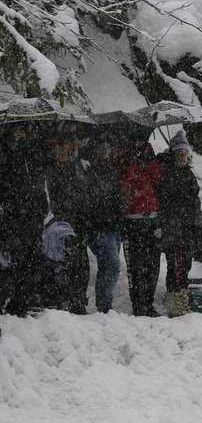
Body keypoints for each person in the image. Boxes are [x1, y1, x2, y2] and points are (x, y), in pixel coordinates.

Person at [0, 122, 50, 315]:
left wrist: (42, 204)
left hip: (33, 213)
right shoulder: (5, 149)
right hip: (13, 214)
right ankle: (8, 301)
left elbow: (37, 180)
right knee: (13, 260)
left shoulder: (31, 149)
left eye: (25, 129)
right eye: (18, 129)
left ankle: (21, 301)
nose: (22, 132)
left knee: (33, 260)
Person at [45, 122, 94, 313]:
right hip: (57, 223)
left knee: (80, 262)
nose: (63, 152)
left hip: (76, 222)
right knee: (58, 262)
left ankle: (78, 299)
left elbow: (84, 195)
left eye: (66, 149)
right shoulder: (51, 170)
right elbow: (53, 198)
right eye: (60, 149)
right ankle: (61, 298)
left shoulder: (78, 168)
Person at [156, 130, 201, 317]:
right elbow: (166, 199)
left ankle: (180, 300)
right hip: (173, 227)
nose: (183, 156)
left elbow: (194, 201)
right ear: (173, 152)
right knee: (177, 265)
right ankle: (176, 302)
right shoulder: (166, 171)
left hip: (188, 227)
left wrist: (197, 225)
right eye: (179, 152)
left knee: (185, 264)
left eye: (185, 152)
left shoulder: (187, 174)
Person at [83, 130, 126, 313]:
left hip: (114, 225)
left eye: (107, 147)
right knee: (111, 266)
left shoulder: (114, 169)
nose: (104, 151)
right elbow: (87, 198)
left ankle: (104, 305)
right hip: (99, 226)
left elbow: (118, 197)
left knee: (108, 267)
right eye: (101, 147)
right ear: (95, 149)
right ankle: (104, 307)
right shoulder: (88, 169)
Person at [119, 138, 163, 316]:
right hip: (132, 218)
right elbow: (123, 183)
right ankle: (138, 304)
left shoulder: (148, 149)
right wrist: (133, 162)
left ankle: (149, 303)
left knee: (153, 264)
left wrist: (149, 159)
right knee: (136, 264)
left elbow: (157, 177)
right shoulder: (123, 151)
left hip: (151, 216)